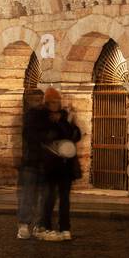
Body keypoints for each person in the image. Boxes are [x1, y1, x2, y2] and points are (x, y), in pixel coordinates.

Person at [35, 88, 82, 242]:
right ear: (47, 103)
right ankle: (46, 226)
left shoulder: (65, 116)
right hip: (50, 164)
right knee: (49, 197)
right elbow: (40, 137)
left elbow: (75, 135)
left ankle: (65, 228)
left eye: (57, 102)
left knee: (65, 198)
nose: (55, 105)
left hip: (65, 164)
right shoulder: (42, 117)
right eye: (52, 102)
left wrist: (69, 124)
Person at [16, 90, 48, 240]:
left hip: (45, 162)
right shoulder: (29, 116)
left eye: (40, 99)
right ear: (29, 101)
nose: (38, 102)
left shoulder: (46, 115)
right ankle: (23, 225)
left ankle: (39, 225)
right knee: (28, 195)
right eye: (35, 100)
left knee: (45, 196)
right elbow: (30, 136)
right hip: (31, 162)